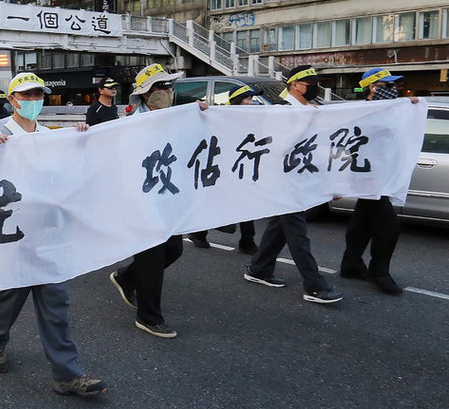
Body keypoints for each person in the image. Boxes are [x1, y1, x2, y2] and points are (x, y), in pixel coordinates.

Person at [0, 72, 107, 396]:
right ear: (12, 100)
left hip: (49, 234)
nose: (34, 101)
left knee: (56, 303)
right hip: (14, 236)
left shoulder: (51, 136)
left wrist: (78, 139)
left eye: (38, 95)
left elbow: (71, 173)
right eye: (27, 95)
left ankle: (66, 374)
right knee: (11, 296)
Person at [243, 65, 343, 304]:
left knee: (280, 226)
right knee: (297, 233)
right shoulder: (280, 110)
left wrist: (330, 181)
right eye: (310, 84)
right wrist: (306, 119)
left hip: (298, 178)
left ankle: (259, 269)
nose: (315, 88)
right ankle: (315, 286)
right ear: (295, 84)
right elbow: (277, 146)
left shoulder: (309, 109)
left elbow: (315, 148)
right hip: (282, 182)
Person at [110, 63, 191, 338]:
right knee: (152, 256)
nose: (168, 91)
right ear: (146, 94)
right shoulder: (131, 124)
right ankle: (148, 316)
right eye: (161, 87)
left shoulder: (175, 117)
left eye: (170, 86)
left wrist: (201, 116)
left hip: (167, 196)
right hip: (141, 200)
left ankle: (126, 277)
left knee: (174, 249)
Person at [338, 68, 419, 295]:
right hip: (368, 176)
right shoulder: (361, 112)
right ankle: (378, 272)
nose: (394, 90)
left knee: (361, 222)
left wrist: (407, 105)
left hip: (380, 175)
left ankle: (351, 264)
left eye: (395, 86)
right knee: (389, 226)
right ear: (373, 88)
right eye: (389, 85)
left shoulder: (388, 110)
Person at [189, 85, 261, 254]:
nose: (252, 103)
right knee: (217, 201)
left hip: (242, 165)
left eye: (252, 99)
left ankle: (247, 240)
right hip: (223, 166)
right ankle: (199, 232)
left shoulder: (251, 116)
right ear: (237, 100)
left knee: (246, 202)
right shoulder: (220, 114)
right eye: (248, 99)